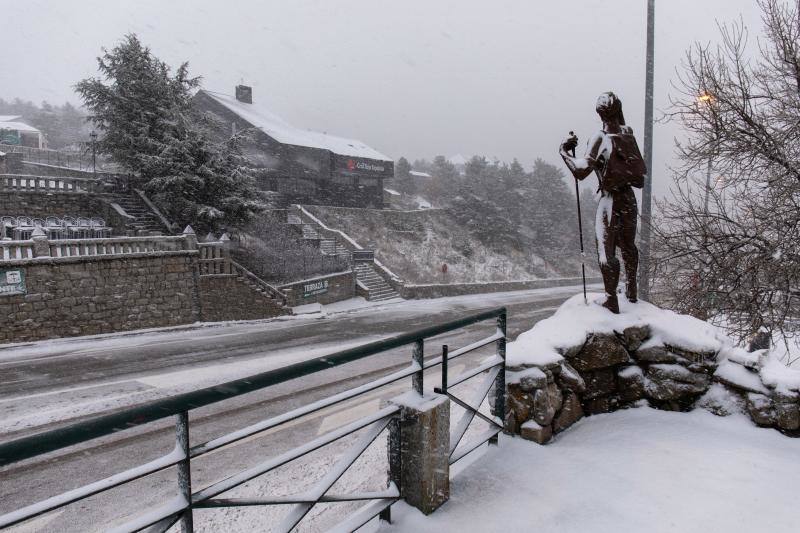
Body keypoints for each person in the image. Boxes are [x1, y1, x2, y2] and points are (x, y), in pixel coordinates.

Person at [559, 92, 646, 314]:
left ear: (600, 114)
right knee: (628, 245)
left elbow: (581, 171)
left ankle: (610, 298)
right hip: (629, 199)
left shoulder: (600, 137)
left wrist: (563, 152)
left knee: (606, 251)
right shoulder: (628, 134)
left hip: (610, 199)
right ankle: (631, 290)